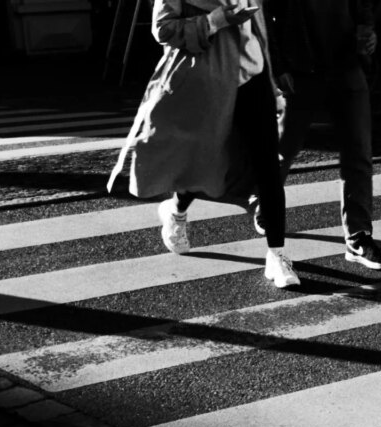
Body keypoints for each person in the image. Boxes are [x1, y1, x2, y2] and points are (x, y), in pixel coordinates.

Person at [108, 0, 301, 288]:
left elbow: (262, 23)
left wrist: (276, 70)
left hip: (254, 79)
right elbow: (162, 28)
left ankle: (276, 254)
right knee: (203, 160)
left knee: (267, 166)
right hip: (207, 81)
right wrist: (214, 21)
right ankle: (176, 209)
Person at [257, 0, 381, 271]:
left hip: (346, 62)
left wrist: (367, 31)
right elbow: (265, 14)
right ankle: (265, 204)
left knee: (358, 151)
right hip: (300, 66)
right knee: (285, 148)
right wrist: (277, 65)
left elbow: (363, 6)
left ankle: (358, 237)